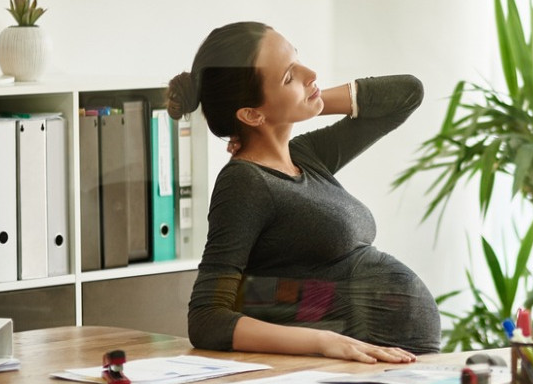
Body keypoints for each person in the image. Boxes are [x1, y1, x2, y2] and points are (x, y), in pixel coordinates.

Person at [166, 21, 440, 364]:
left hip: (393, 364)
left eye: (297, 60)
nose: (310, 73)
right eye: (287, 77)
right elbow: (207, 318)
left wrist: (307, 98)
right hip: (342, 367)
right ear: (251, 113)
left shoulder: (306, 156)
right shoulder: (244, 183)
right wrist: (323, 341)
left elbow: (406, 94)